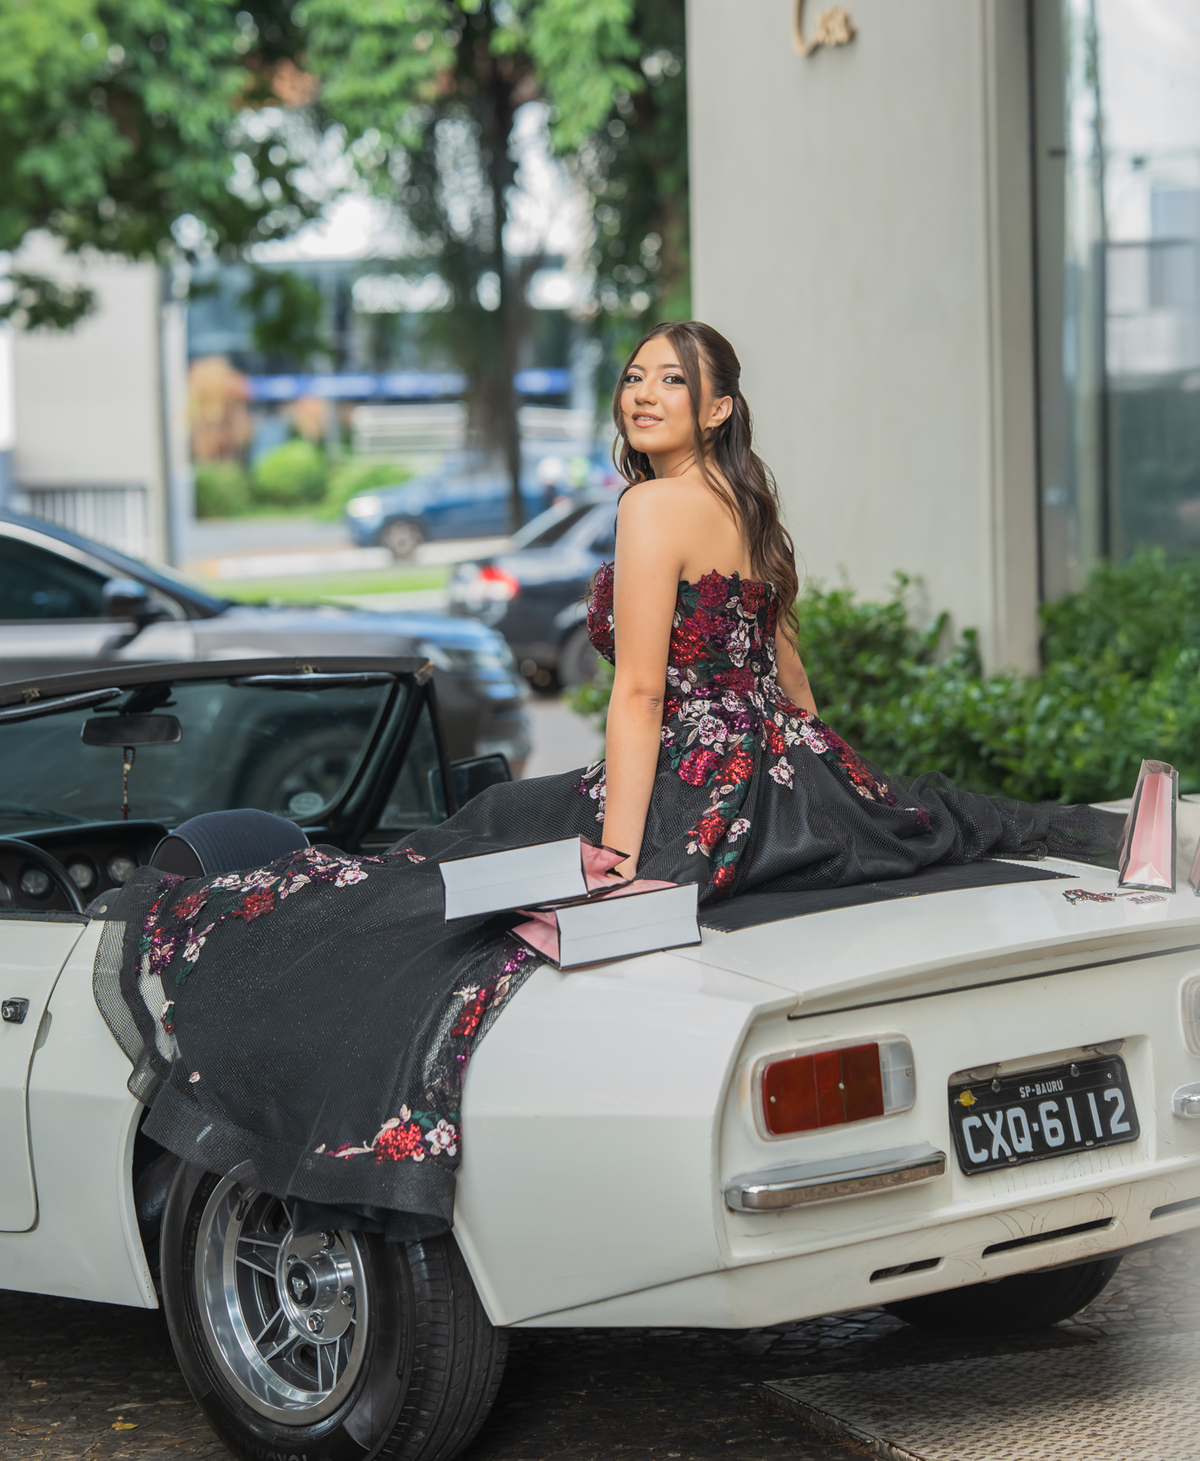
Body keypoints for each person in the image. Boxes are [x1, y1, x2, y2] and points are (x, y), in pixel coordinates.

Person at [95, 320, 1119, 1238]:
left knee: (456, 852)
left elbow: (638, 691)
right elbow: (790, 683)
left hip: (692, 784)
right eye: (634, 377)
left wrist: (620, 853)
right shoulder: (747, 504)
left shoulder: (653, 507)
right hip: (778, 771)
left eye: (672, 381)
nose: (643, 394)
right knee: (506, 829)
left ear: (717, 408)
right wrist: (818, 778)